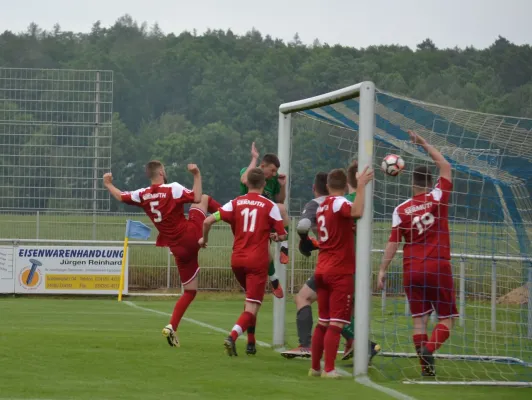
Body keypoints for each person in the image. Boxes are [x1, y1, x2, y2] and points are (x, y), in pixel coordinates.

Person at [103, 160, 221, 348]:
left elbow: (120, 196)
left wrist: (108, 183)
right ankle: (235, 219)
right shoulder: (171, 189)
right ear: (161, 172)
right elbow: (197, 197)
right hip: (190, 236)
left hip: (177, 249)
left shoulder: (142, 195)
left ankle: (171, 326)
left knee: (190, 291)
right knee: (205, 198)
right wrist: (197, 174)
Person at [282, 165, 380, 363]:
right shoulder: (344, 201)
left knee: (318, 309)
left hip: (335, 266)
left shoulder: (325, 204)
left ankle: (315, 353)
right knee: (340, 314)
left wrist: (305, 242)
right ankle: (355, 346)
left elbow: (305, 226)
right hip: (351, 263)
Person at [377, 130, 455, 377]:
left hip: (412, 270)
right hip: (438, 267)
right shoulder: (438, 197)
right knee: (447, 319)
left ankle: (425, 369)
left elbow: (392, 243)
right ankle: (430, 350)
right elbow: (446, 166)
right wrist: (423, 143)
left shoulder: (400, 209)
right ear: (430, 181)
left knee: (419, 321)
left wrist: (382, 269)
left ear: (411, 181)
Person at [200, 168, 287, 356]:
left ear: (246, 183)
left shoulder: (235, 203)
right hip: (257, 261)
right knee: (254, 305)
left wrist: (204, 240)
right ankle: (232, 336)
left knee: (250, 301)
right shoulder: (269, 205)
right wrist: (277, 236)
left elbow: (207, 221)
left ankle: (251, 342)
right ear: (264, 184)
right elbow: (281, 234)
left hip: (237, 260)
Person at [309, 166, 373, 379]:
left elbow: (338, 225)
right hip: (339, 270)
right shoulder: (340, 202)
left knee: (322, 322)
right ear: (346, 185)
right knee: (336, 324)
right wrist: (362, 186)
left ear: (327, 186)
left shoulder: (322, 206)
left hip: (322, 268)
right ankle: (328, 369)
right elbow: (356, 211)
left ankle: (315, 368)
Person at [240, 142, 290, 299]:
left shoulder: (274, 181)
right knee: (266, 255)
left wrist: (282, 186)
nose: (274, 174)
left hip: (266, 217)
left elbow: (280, 200)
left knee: (281, 208)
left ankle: (284, 247)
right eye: (272, 170)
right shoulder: (250, 173)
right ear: (263, 166)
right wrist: (254, 159)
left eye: (276, 171)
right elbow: (244, 179)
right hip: (251, 220)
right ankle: (274, 281)